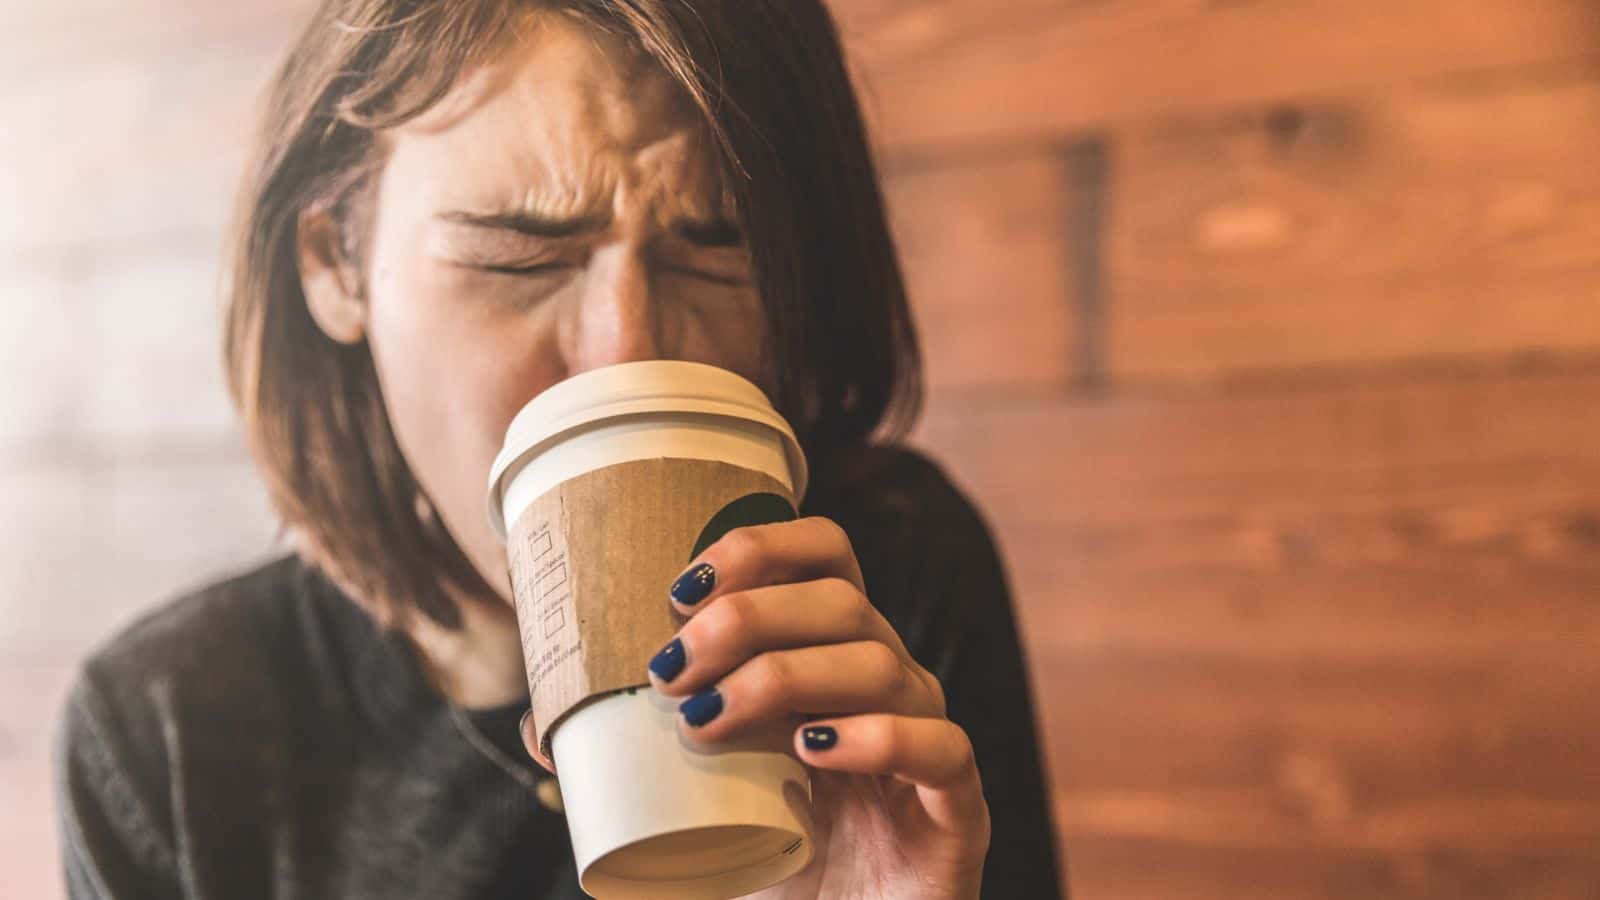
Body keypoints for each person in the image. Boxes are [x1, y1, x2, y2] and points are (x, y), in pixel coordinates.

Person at [55, 1, 1065, 897]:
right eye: (519, 256)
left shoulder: (886, 582)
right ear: (336, 264)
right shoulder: (170, 728)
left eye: (718, 249)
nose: (622, 352)